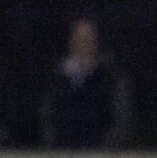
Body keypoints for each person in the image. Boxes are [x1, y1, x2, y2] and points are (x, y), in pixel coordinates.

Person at [39, 18, 133, 149]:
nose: (83, 44)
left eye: (88, 39)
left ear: (96, 42)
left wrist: (108, 147)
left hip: (99, 157)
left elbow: (120, 118)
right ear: (71, 42)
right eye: (78, 39)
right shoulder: (57, 77)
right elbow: (47, 115)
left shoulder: (110, 77)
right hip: (62, 154)